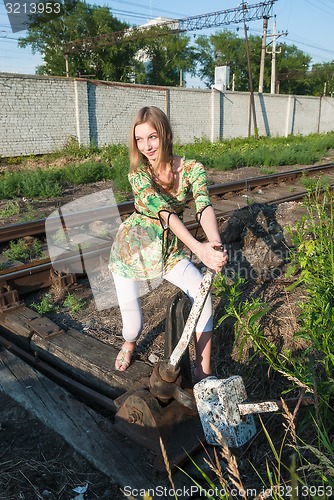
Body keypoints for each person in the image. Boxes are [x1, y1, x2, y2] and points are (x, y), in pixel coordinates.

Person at [109, 106, 228, 380]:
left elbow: (203, 206)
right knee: (133, 327)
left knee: (203, 292)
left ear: (165, 134)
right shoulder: (138, 174)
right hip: (133, 251)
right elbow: (165, 212)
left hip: (169, 252)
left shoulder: (191, 169)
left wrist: (215, 244)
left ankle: (203, 372)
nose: (146, 146)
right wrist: (198, 249)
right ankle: (128, 344)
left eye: (152, 137)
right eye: (140, 139)